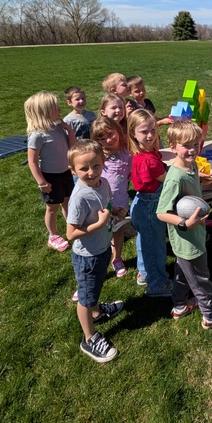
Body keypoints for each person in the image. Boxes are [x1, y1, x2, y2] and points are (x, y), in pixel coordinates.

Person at [157, 121, 212, 330]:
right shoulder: (175, 178)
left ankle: (179, 305)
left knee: (182, 272)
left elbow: (190, 196)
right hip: (188, 238)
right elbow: (161, 213)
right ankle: (210, 314)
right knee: (200, 277)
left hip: (191, 236)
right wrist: (186, 223)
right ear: (173, 147)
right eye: (186, 145)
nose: (192, 150)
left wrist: (204, 185)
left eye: (195, 144)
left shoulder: (191, 165)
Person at [66, 140, 125, 362]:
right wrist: (99, 224)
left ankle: (97, 312)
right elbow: (71, 233)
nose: (91, 172)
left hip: (100, 250)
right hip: (87, 255)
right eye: (83, 168)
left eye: (96, 166)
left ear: (103, 163)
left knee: (94, 288)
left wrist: (114, 210)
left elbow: (105, 205)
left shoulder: (103, 183)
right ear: (73, 170)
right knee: (85, 296)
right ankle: (89, 338)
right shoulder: (79, 197)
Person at [24, 91, 76, 252]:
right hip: (50, 177)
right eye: (56, 108)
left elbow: (72, 147)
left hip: (65, 173)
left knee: (67, 202)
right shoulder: (37, 136)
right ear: (45, 112)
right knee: (52, 208)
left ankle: (71, 226)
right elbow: (32, 162)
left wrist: (69, 131)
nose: (60, 110)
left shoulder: (58, 128)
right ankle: (53, 235)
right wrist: (42, 182)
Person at [127, 109, 172, 297]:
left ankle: (145, 274)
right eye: (144, 132)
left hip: (141, 203)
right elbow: (169, 180)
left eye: (153, 130)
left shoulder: (144, 152)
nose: (150, 135)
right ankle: (157, 285)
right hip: (150, 207)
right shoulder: (148, 161)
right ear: (133, 134)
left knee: (144, 243)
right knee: (155, 248)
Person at [90, 116, 133, 278]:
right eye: (101, 139)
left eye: (110, 134)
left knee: (118, 230)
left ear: (118, 130)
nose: (108, 140)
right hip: (101, 202)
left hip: (121, 201)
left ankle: (117, 258)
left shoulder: (126, 149)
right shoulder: (97, 155)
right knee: (101, 233)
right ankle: (97, 263)